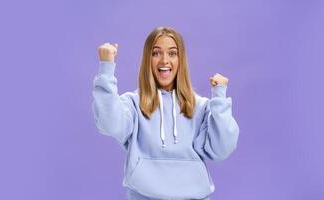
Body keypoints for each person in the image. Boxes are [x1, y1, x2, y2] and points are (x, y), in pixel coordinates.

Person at [92, 27, 239, 200]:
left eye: (172, 53)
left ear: (180, 59)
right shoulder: (133, 104)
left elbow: (222, 149)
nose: (164, 60)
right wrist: (106, 70)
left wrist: (220, 98)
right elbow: (110, 124)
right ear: (148, 59)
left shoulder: (199, 107)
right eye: (156, 53)